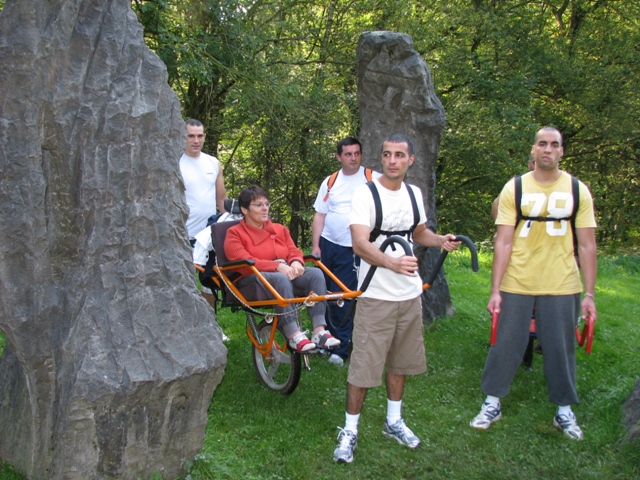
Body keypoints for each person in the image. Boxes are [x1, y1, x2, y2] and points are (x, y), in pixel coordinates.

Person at [333, 134, 460, 463]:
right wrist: (391, 262)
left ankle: (394, 421)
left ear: (410, 160)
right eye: (387, 154)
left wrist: (438, 240)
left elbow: (418, 233)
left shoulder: (414, 194)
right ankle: (349, 430)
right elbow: (360, 243)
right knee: (363, 366)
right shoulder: (366, 193)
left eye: (399, 155)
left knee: (400, 361)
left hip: (409, 294)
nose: (392, 160)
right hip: (376, 294)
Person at [469, 126, 597, 441]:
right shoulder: (516, 188)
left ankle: (564, 411)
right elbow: (503, 242)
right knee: (505, 343)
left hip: (562, 281)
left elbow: (588, 246)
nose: (548, 150)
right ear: (534, 150)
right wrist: (495, 290)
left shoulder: (577, 190)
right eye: (543, 144)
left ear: (562, 151)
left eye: (555, 145)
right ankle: (492, 402)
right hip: (518, 279)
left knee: (560, 346)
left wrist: (589, 294)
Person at [224, 186, 341, 353]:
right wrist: (276, 266)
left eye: (266, 204)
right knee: (280, 278)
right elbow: (241, 261)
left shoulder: (279, 229)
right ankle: (293, 334)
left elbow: (293, 250)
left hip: (283, 271)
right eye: (258, 205)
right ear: (244, 209)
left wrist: (295, 262)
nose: (265, 208)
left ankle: (319, 331)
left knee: (315, 273)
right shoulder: (234, 232)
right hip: (251, 277)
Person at [312, 137, 381, 366]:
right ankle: (324, 339)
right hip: (328, 244)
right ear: (339, 156)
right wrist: (315, 247)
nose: (353, 158)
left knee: (342, 296)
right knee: (322, 294)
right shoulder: (331, 181)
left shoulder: (373, 179)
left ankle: (340, 349)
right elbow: (320, 215)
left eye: (356, 153)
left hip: (353, 248)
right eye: (348, 154)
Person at [179, 119, 228, 243]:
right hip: (182, 236)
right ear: (183, 136)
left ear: (204, 137)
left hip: (208, 236)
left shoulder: (213, 163)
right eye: (191, 136)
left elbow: (222, 200)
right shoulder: (175, 163)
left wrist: (231, 226)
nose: (196, 141)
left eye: (200, 136)